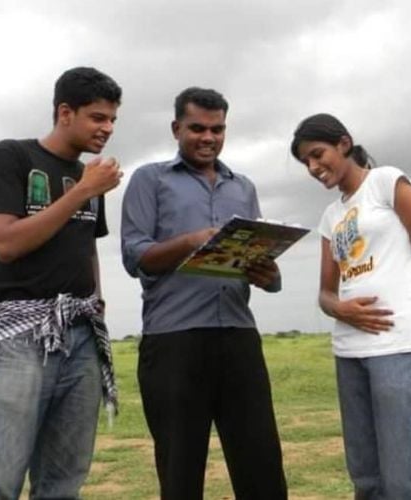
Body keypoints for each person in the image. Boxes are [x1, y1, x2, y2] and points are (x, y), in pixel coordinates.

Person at [0, 67, 123, 498]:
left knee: (64, 480)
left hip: (82, 335)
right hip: (19, 335)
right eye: (97, 117)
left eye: (112, 120)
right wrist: (80, 192)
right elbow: (5, 244)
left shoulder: (91, 181)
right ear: (64, 112)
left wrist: (98, 303)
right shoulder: (11, 157)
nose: (107, 128)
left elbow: (87, 246)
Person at [121, 87, 287, 499]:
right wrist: (191, 241)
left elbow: (251, 256)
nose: (208, 137)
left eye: (217, 129)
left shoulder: (243, 187)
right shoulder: (149, 179)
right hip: (174, 340)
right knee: (180, 470)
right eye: (197, 128)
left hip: (239, 336)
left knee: (261, 465)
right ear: (176, 128)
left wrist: (269, 274)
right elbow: (135, 255)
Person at [291, 113, 411, 499]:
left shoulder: (387, 183)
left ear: (343, 144)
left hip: (400, 347)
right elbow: (326, 293)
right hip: (349, 352)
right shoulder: (331, 216)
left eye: (317, 154)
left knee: (403, 478)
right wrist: (340, 309)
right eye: (305, 162)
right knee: (366, 477)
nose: (313, 168)